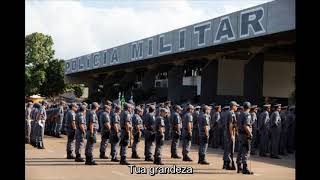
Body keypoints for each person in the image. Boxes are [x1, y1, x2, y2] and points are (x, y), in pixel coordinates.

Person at [238, 102, 254, 174]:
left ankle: (239, 166)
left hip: (240, 134)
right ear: (249, 108)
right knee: (246, 151)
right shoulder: (247, 114)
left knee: (241, 150)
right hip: (245, 135)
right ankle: (245, 168)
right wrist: (250, 134)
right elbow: (246, 126)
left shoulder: (240, 114)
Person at [222, 101, 239, 170]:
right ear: (233, 106)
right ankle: (228, 164)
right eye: (236, 106)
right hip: (229, 133)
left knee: (226, 149)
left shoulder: (226, 113)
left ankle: (225, 164)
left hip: (226, 132)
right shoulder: (231, 113)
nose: (237, 107)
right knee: (230, 149)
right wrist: (232, 134)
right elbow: (231, 124)